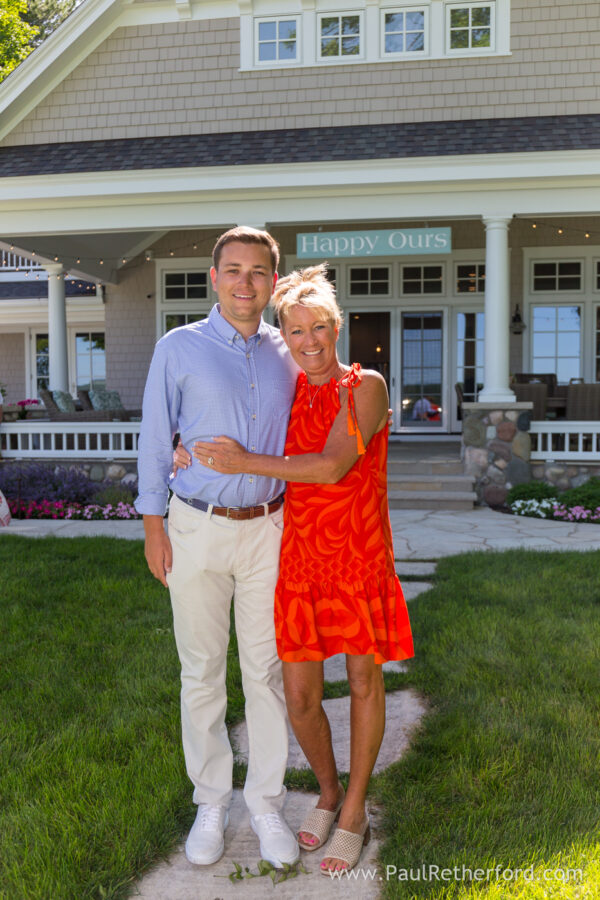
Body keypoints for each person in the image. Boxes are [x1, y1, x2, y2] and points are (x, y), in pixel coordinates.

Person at [176, 264, 414, 875]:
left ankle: (355, 810)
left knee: (363, 683)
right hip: (298, 557)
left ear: (338, 328)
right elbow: (242, 415)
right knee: (301, 698)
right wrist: (194, 446)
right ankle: (327, 792)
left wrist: (245, 459)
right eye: (297, 330)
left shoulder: (366, 387)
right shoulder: (288, 386)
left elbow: (333, 465)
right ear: (285, 334)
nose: (309, 341)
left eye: (319, 329)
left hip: (358, 557)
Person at [135, 227, 301, 869]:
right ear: (214, 277)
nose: (244, 283)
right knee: (201, 670)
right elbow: (155, 436)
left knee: (263, 673)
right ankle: (211, 799)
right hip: (195, 526)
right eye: (233, 270)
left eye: (258, 272)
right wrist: (153, 523)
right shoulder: (178, 347)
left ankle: (264, 803)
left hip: (268, 529)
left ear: (272, 282)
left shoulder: (288, 353)